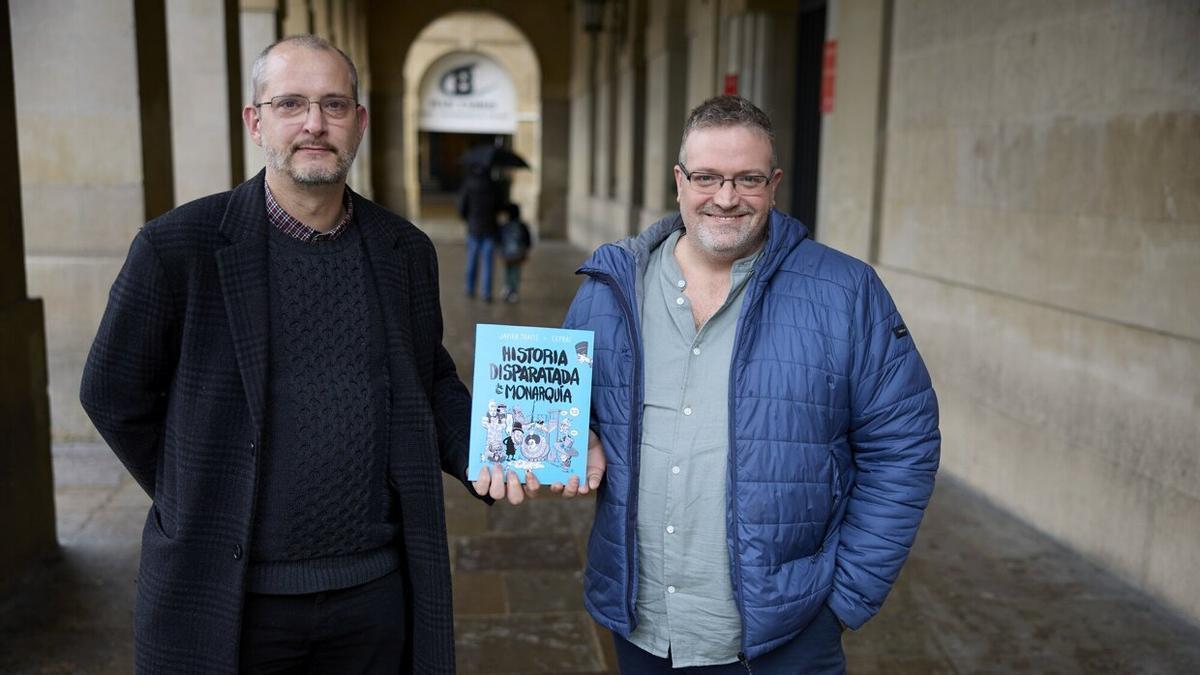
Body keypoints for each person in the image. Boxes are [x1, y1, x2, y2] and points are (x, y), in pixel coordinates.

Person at [79, 35, 531, 675]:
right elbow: (112, 394)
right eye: (290, 103)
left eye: (334, 105)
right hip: (234, 600)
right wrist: (202, 493)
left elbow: (429, 382)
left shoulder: (404, 251)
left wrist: (499, 452)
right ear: (255, 119)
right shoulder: (177, 249)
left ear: (360, 122)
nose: (314, 124)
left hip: (376, 596)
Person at [552, 95, 941, 673]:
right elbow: (559, 411)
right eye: (707, 177)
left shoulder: (845, 292)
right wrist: (574, 439)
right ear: (679, 182)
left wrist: (845, 595)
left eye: (747, 179)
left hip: (786, 634)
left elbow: (904, 443)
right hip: (643, 627)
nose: (726, 198)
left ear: (775, 183)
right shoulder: (610, 290)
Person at [458, 163, 501, 302]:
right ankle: (486, 292)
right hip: (489, 228)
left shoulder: (468, 184)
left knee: (472, 260)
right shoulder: (493, 186)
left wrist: (468, 219)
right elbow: (499, 206)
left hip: (474, 227)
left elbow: (462, 207)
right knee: (488, 262)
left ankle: (470, 288)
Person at [498, 201, 533, 303]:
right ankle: (513, 291)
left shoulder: (505, 225)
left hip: (507, 255)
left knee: (508, 272)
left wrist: (500, 251)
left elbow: (500, 240)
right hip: (518, 254)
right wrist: (526, 251)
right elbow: (527, 240)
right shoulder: (522, 225)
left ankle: (508, 288)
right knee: (515, 273)